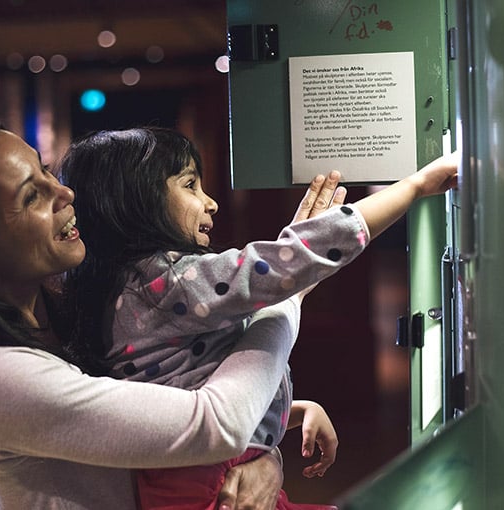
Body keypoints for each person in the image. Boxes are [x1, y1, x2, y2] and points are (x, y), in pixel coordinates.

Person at [0, 117, 346, 510]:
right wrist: (285, 297)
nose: (65, 194)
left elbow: (161, 424)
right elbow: (215, 426)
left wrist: (266, 452)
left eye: (47, 173)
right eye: (32, 195)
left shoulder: (69, 315)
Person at [59, 127, 459, 510]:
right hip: (205, 486)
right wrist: (414, 187)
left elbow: (198, 384)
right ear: (137, 201)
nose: (210, 202)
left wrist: (288, 411)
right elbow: (280, 265)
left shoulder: (121, 292)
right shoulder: (167, 283)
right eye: (189, 184)